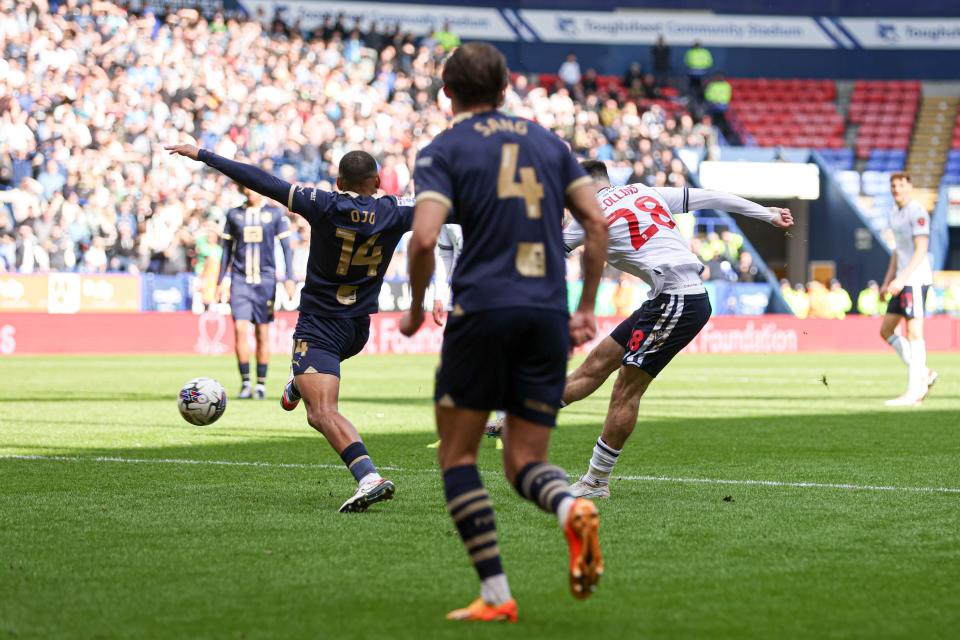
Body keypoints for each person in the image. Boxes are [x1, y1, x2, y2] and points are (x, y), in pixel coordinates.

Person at [398, 42, 609, 622]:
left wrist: (416, 306)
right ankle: (570, 508)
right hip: (545, 316)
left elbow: (422, 239)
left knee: (459, 455)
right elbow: (595, 223)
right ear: (506, 86)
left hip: (482, 312)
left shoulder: (443, 150)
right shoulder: (550, 145)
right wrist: (585, 305)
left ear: (447, 93)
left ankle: (495, 593)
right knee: (524, 462)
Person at [166, 144, 412, 513]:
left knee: (320, 412)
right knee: (312, 386)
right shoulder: (397, 210)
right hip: (358, 329)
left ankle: (369, 478)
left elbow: (261, 180)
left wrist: (204, 155)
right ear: (377, 181)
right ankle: (298, 382)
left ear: (339, 180)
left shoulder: (323, 204)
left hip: (320, 328)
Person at [561, 160, 793, 500]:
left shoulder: (588, 214)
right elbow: (711, 196)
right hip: (668, 297)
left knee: (625, 389)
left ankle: (596, 481)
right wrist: (766, 213)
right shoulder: (644, 191)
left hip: (677, 298)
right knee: (595, 364)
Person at [217, 186, 296, 399]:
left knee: (262, 333)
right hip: (240, 281)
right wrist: (221, 280)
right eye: (245, 189)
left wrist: (289, 277)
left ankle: (260, 384)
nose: (249, 192)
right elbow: (226, 250)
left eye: (252, 189)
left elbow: (287, 247)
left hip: (266, 282)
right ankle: (245, 383)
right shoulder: (234, 214)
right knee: (240, 330)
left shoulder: (275, 213)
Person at [430, 223, 506, 443]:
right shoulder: (450, 205)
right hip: (460, 297)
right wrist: (439, 295)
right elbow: (445, 254)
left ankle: (502, 418)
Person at [878, 173, 938, 406]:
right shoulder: (894, 212)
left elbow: (921, 250)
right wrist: (887, 280)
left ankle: (914, 391)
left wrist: (901, 279)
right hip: (900, 279)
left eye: (901, 185)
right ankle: (924, 373)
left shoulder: (917, 212)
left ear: (910, 187)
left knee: (914, 334)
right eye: (893, 185)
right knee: (886, 330)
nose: (897, 189)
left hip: (915, 280)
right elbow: (897, 251)